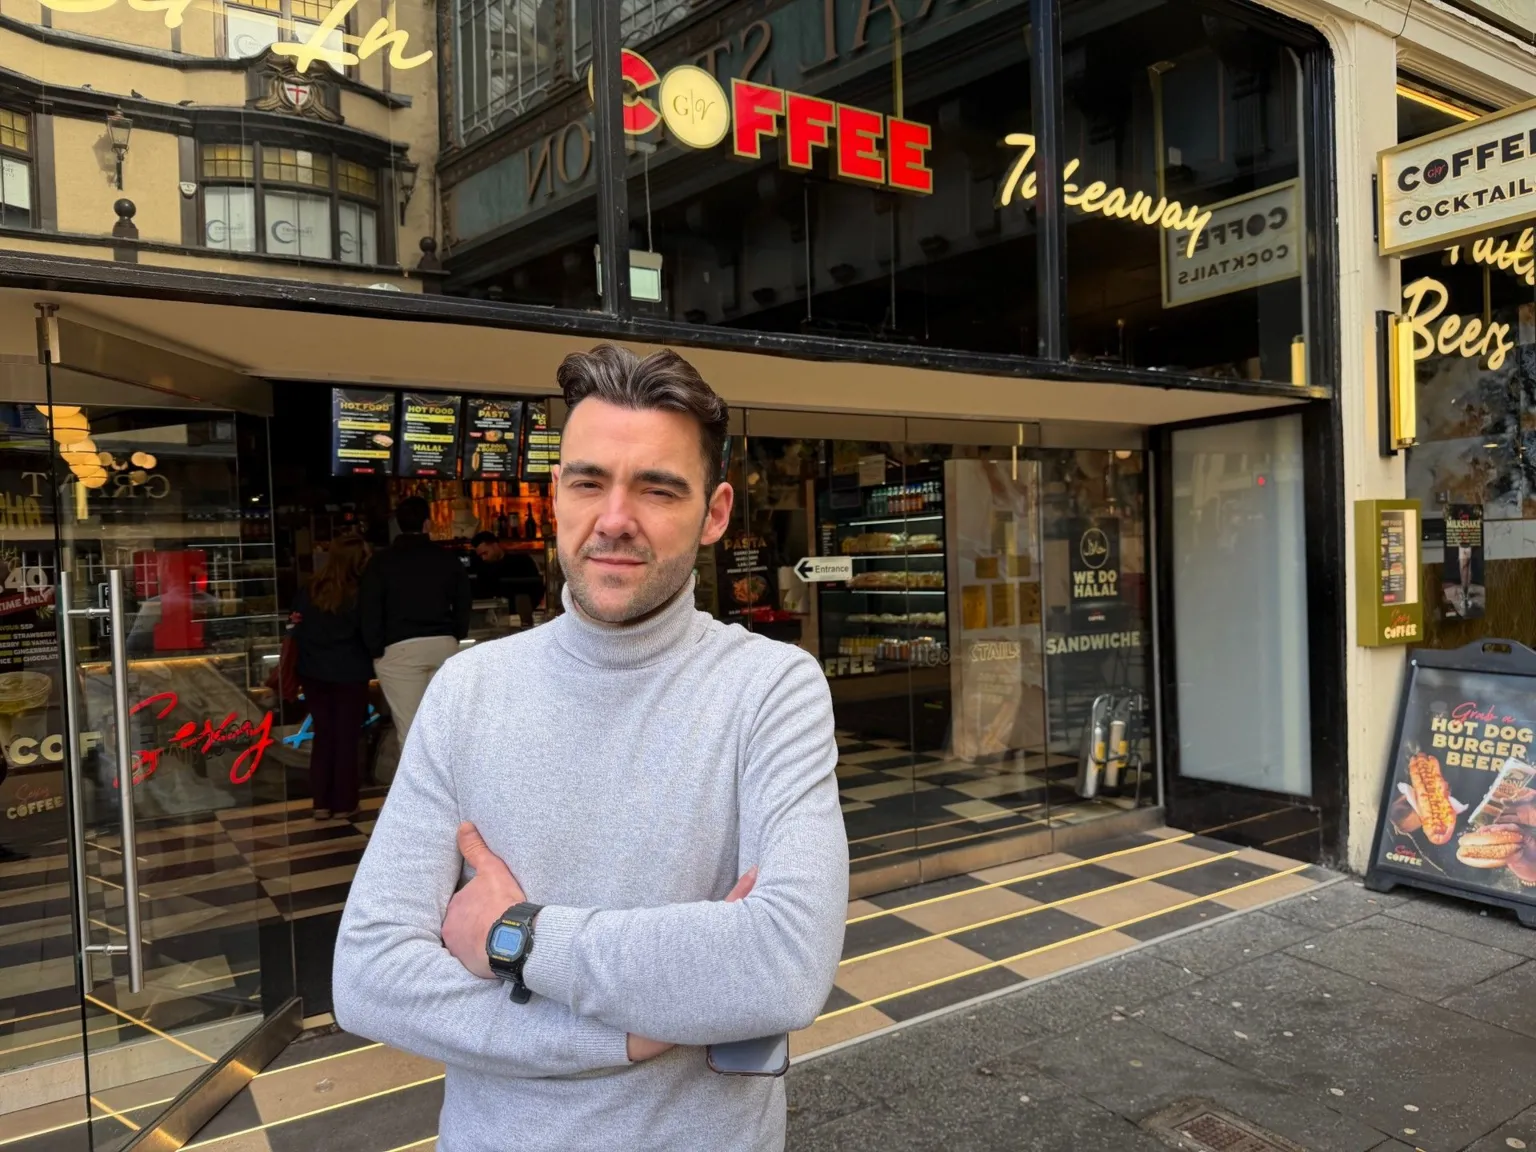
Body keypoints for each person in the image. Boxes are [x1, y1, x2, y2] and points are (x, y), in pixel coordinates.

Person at [333, 345, 848, 1152]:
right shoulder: (469, 691)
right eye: (588, 481)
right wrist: (619, 1037)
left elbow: (782, 963)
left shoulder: (771, 689)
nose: (614, 518)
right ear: (555, 497)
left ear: (714, 515)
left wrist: (517, 937)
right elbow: (368, 977)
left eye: (657, 488)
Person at [360, 495, 471, 749]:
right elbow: (464, 600)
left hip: (399, 649)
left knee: (411, 734)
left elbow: (369, 608)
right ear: (427, 524)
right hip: (443, 645)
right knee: (445, 730)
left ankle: (416, 789)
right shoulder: (447, 559)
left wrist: (376, 649)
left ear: (398, 525)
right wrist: (455, 635)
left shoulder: (381, 562)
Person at [290, 534, 373, 821]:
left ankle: (321, 803)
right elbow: (369, 633)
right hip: (350, 672)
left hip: (313, 672)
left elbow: (296, 628)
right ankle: (345, 803)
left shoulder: (310, 587)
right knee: (347, 738)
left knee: (324, 736)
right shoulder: (361, 591)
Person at [469, 530, 544, 629]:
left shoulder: (522, 561)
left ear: (495, 545)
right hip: (493, 622)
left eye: (485, 553)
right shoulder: (482, 569)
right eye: (481, 555)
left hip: (522, 620)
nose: (484, 558)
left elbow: (537, 589)